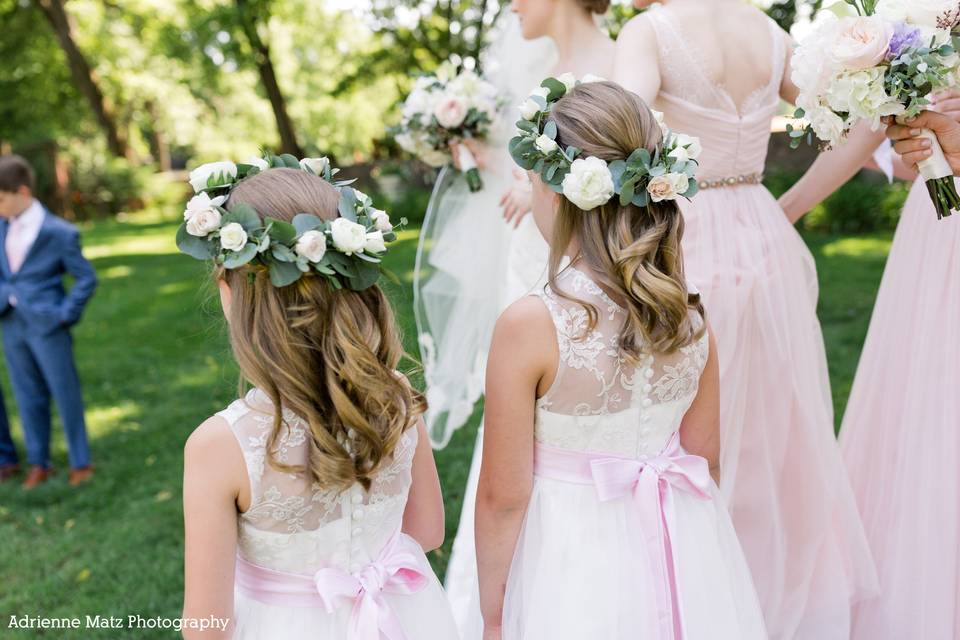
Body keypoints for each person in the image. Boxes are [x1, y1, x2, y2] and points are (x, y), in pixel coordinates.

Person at [613, 2, 878, 637]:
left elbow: (610, 131)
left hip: (685, 238)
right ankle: (784, 589)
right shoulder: (770, 32)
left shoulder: (649, 31)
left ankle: (702, 600)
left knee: (678, 429)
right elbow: (869, 120)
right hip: (763, 233)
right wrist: (784, 208)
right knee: (776, 424)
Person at [475, 80, 767, 640]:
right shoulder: (688, 315)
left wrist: (495, 614)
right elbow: (706, 460)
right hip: (682, 538)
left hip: (569, 556)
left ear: (558, 193)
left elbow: (502, 498)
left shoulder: (530, 324)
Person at [180, 164, 459, 639]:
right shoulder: (395, 396)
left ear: (232, 295)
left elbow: (206, 626)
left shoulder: (222, 445)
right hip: (405, 618)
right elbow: (428, 531)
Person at [440, 3, 615, 638]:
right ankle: (497, 586)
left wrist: (543, 187)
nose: (512, 4)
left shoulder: (616, 65)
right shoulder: (547, 67)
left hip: (576, 266)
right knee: (514, 419)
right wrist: (484, 161)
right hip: (527, 259)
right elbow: (519, 174)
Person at [779, 94, 960, 639]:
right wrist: (781, 210)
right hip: (941, 221)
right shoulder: (929, 20)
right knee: (927, 409)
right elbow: (879, 126)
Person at [0, 154, 97, 489]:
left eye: (0, 198)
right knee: (26, 394)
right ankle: (39, 462)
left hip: (48, 325)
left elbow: (85, 278)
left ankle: (80, 461)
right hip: (12, 324)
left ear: (22, 191)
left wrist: (64, 314)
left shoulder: (58, 232)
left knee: (64, 391)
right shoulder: (1, 228)